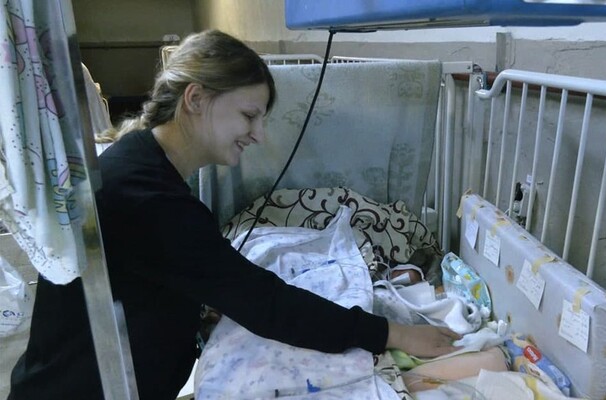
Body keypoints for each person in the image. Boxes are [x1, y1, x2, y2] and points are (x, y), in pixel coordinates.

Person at [8, 30, 460, 400]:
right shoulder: (147, 195)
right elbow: (266, 304)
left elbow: (159, 276)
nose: (258, 135)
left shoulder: (140, 163)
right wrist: (391, 334)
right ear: (196, 99)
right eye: (249, 115)